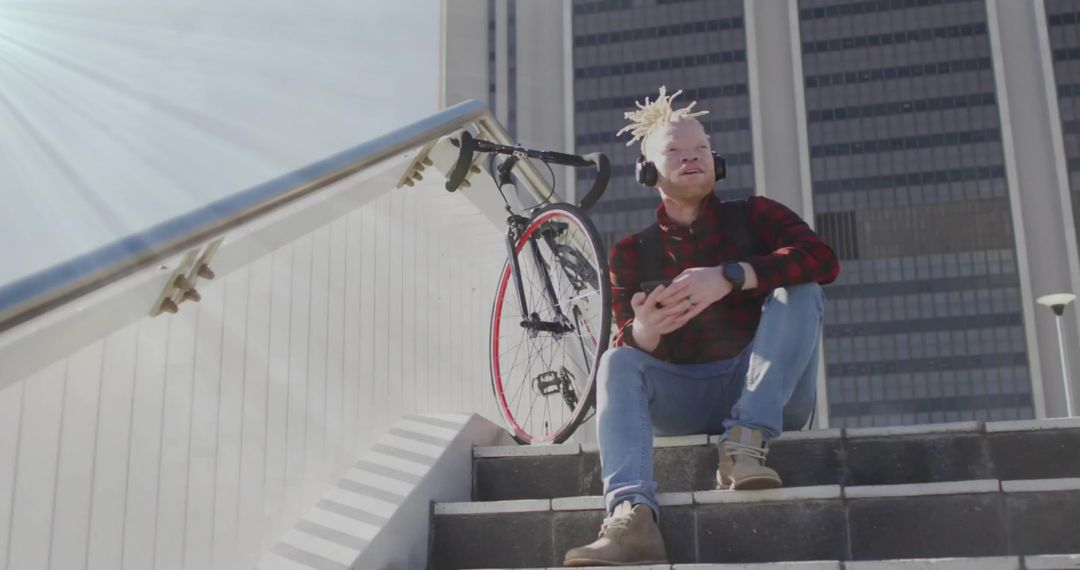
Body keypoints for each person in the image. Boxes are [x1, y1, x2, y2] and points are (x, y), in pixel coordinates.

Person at [563, 87, 841, 567]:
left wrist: (732, 276)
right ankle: (631, 517)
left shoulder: (759, 214)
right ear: (647, 171)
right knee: (617, 359)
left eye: (700, 150)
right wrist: (646, 330)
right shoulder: (631, 251)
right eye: (674, 151)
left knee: (804, 287)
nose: (691, 157)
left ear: (718, 161)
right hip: (682, 397)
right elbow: (625, 338)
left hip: (767, 390)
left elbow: (823, 259)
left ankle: (745, 443)